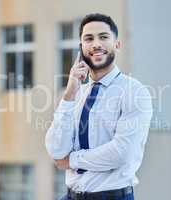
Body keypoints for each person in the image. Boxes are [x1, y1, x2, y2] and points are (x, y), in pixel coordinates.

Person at [45, 13, 153, 200]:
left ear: (117, 45)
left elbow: (121, 153)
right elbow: (56, 150)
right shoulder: (75, 93)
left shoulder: (134, 91)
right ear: (81, 47)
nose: (96, 44)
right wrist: (69, 93)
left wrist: (71, 160)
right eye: (88, 39)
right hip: (71, 196)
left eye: (103, 37)